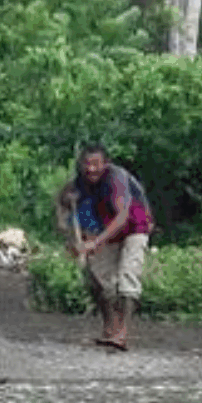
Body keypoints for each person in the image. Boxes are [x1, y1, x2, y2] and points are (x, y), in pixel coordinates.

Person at [53, 145, 153, 351]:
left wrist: (95, 242)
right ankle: (110, 327)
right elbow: (62, 205)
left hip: (135, 226)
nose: (91, 169)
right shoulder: (78, 183)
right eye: (87, 164)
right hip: (106, 228)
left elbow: (122, 216)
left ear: (106, 164)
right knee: (98, 278)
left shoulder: (116, 179)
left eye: (96, 164)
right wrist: (71, 239)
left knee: (128, 276)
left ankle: (122, 333)